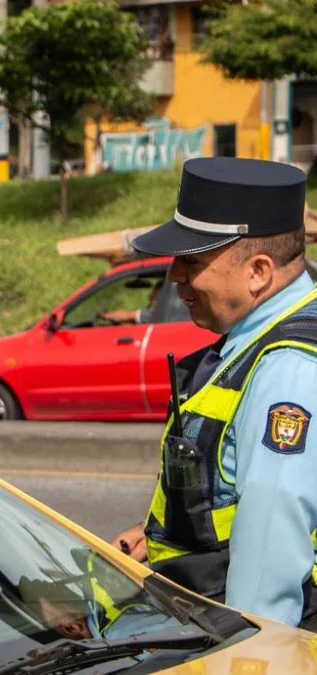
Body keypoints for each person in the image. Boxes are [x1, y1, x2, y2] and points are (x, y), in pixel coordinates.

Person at [109, 157, 317, 629]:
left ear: (259, 271)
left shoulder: (288, 369)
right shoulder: (263, 340)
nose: (174, 276)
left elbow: (269, 552)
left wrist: (249, 659)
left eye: (193, 261)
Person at [99, 280, 164, 325]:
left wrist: (106, 315)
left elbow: (126, 315)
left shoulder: (158, 312)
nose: (149, 298)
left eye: (153, 295)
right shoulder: (164, 312)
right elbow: (133, 319)